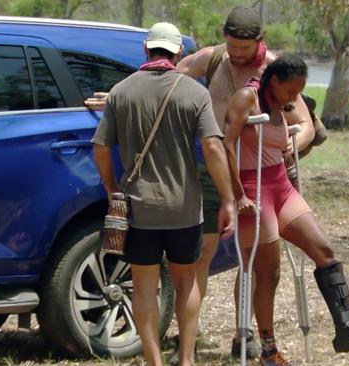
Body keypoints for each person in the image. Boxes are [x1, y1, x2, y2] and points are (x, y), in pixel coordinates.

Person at [85, 6, 316, 360]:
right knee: (198, 263)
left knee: (252, 260)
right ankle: (187, 347)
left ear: (260, 41)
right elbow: (162, 82)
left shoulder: (275, 68)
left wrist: (292, 145)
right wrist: (117, 94)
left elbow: (306, 123)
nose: (237, 55)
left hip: (257, 174)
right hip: (212, 173)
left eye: (244, 49)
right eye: (232, 47)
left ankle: (243, 333)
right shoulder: (209, 62)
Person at [223, 54, 349, 366]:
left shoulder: (279, 103)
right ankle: (268, 349)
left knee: (324, 251)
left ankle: (346, 328)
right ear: (275, 81)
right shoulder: (246, 97)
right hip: (253, 188)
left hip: (280, 186)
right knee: (268, 273)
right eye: (291, 91)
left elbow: (299, 128)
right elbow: (225, 145)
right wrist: (237, 194)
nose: (294, 98)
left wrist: (289, 143)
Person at [91, 22, 235, 366]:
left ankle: (154, 361)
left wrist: (112, 187)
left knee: (144, 286)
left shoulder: (122, 91)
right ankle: (186, 359)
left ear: (146, 49)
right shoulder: (194, 93)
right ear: (179, 53)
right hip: (184, 208)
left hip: (138, 208)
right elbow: (213, 148)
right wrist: (228, 198)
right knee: (186, 281)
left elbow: (99, 146)